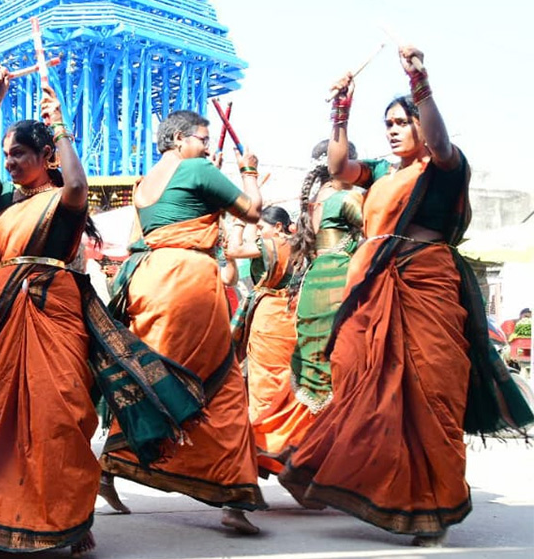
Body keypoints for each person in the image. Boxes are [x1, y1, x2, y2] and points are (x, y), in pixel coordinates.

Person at [0, 69, 205, 555]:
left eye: (18, 154)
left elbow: (76, 185)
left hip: (56, 312)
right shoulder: (4, 201)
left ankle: (66, 515)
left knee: (63, 416)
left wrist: (61, 125)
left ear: (46, 156)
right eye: (6, 155)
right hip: (6, 314)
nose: (8, 163)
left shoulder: (64, 200)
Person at [279, 46, 533, 546]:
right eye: (388, 122)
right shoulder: (380, 172)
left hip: (428, 283)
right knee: (364, 387)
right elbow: (338, 166)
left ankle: (432, 509)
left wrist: (420, 81)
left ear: (421, 125)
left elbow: (439, 142)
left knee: (432, 397)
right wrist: (340, 109)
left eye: (403, 121)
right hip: (373, 288)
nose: (393, 129)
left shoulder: (443, 167)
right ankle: (381, 490)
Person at [100, 109, 267, 535]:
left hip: (150, 279)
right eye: (203, 139)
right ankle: (234, 497)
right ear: (179, 139)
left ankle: (109, 465)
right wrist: (249, 172)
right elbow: (252, 210)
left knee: (155, 381)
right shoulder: (196, 167)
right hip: (187, 282)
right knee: (222, 383)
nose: (208, 147)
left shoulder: (144, 184)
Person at [287, 140, 362, 428]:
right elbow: (382, 229)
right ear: (348, 166)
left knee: (317, 360)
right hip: (340, 283)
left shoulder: (315, 201)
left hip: (314, 284)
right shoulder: (346, 199)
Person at [226, 205, 304, 477]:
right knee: (286, 386)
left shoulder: (273, 243)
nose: (258, 233)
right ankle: (286, 449)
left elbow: (232, 250)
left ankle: (259, 450)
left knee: (262, 388)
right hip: (291, 317)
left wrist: (237, 222)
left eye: (261, 227)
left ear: (279, 227)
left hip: (270, 317)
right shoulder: (299, 246)